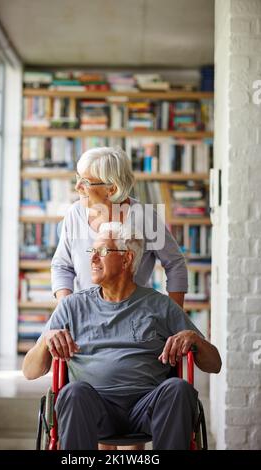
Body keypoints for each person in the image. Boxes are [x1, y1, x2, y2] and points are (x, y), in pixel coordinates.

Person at [23, 227, 221, 450]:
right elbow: (30, 371)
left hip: (147, 408)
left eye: (103, 251)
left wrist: (195, 338)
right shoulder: (71, 307)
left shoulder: (160, 305)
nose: (93, 258)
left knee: (178, 388)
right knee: (73, 392)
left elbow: (215, 364)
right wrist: (46, 340)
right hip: (94, 408)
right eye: (92, 251)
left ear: (127, 259)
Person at [51, 146, 188, 450]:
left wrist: (172, 318)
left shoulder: (144, 217)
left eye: (86, 181)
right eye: (79, 179)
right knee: (95, 401)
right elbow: (61, 265)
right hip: (86, 319)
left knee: (133, 395)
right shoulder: (75, 213)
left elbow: (175, 265)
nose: (78, 187)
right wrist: (66, 310)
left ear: (111, 188)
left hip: (135, 317)